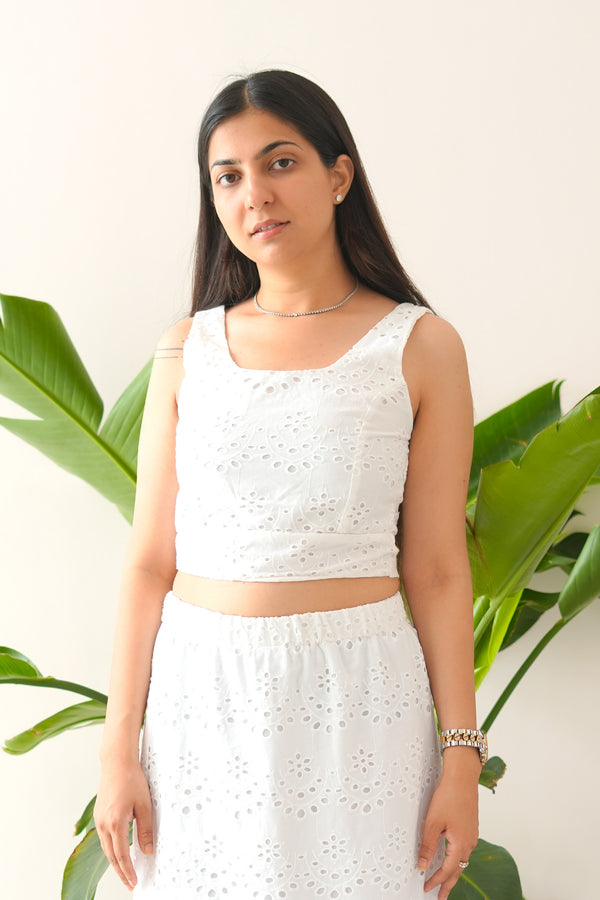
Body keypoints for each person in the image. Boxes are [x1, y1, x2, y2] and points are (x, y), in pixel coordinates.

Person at [94, 69, 484, 900]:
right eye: (228, 176)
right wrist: (116, 747)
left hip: (360, 694)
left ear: (338, 176)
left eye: (280, 163)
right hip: (201, 694)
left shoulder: (422, 346)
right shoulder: (183, 349)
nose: (254, 195)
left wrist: (460, 754)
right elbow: (147, 563)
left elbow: (440, 570)